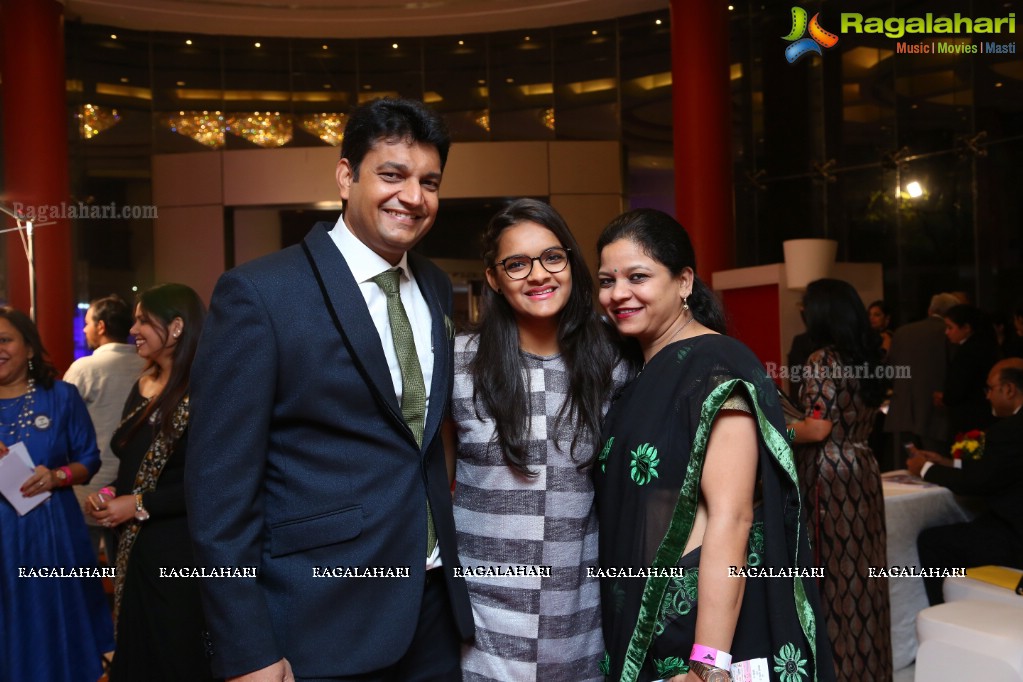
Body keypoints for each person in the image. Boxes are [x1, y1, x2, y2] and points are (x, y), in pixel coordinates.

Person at [186, 97, 474, 681]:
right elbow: (219, 496)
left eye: (429, 182)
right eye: (391, 175)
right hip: (317, 622)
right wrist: (247, 650)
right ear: (346, 176)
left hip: (433, 610)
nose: (413, 198)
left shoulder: (437, 287)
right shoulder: (260, 294)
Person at [593, 209, 833, 682]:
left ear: (684, 282)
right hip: (639, 610)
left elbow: (733, 514)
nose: (618, 293)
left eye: (637, 276)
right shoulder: (637, 372)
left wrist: (709, 662)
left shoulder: (715, 366)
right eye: (607, 280)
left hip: (696, 623)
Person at [449, 198, 625, 681]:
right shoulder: (459, 362)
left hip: (579, 616)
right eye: (516, 264)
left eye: (552, 257)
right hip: (483, 622)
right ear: (494, 279)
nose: (538, 275)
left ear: (570, 261)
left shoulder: (610, 362)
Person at [84, 284, 211, 680]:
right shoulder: (142, 383)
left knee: (173, 653)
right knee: (135, 651)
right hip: (133, 549)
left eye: (143, 320)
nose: (133, 329)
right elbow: (131, 463)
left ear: (176, 328)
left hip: (178, 552)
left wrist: (139, 503)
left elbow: (212, 486)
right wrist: (110, 495)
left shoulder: (206, 391)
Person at [0, 306, 115, 682]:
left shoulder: (61, 396)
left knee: (53, 617)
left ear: (29, 347)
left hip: (51, 531)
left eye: (5, 340)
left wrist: (57, 475)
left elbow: (89, 459)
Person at [788, 278, 892, 682]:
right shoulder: (869, 356)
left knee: (833, 578)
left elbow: (817, 429)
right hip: (864, 467)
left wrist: (774, 426)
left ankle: (837, 672)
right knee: (866, 577)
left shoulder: (822, 360)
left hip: (830, 474)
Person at [908, 358, 1023, 604]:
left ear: (1009, 389)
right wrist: (949, 463)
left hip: (1015, 538)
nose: (987, 396)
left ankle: (948, 616)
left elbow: (978, 483)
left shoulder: (1011, 429)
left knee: (933, 542)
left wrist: (925, 469)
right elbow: (1004, 468)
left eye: (990, 389)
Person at [64, 294, 145, 561]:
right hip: (130, 484)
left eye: (87, 323)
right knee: (122, 566)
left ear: (101, 326)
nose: (84, 329)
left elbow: (63, 423)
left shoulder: (85, 368)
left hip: (89, 484)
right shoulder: (147, 365)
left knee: (81, 570)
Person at [884, 292, 960, 456]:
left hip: (902, 411)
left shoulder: (902, 332)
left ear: (930, 310)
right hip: (935, 414)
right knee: (934, 467)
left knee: (906, 468)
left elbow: (890, 370)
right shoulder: (948, 333)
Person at [935, 304, 1000, 436]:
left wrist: (945, 398)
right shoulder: (986, 345)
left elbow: (958, 387)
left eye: (950, 327)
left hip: (972, 417)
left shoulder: (968, 352)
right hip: (986, 413)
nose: (946, 332)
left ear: (966, 328)